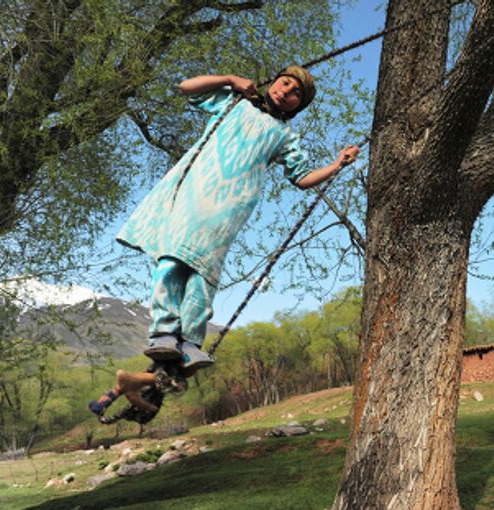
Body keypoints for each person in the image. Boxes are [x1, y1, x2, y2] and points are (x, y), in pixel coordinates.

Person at [117, 66, 360, 373]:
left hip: (232, 202)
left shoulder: (286, 136)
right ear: (273, 82)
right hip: (194, 189)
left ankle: (190, 342)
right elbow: (186, 86)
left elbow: (302, 178)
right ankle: (164, 333)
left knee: (203, 266)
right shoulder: (232, 102)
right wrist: (230, 79)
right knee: (171, 257)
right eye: (284, 83)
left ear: (299, 105)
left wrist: (337, 164)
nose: (285, 92)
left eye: (295, 93)